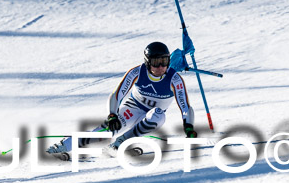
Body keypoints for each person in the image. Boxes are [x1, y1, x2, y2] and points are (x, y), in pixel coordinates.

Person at [47, 35, 197, 160]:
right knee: (106, 131)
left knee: (158, 115)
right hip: (133, 108)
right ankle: (62, 146)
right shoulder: (136, 72)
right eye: (156, 62)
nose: (160, 68)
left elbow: (185, 107)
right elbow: (117, 95)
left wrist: (189, 127)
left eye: (164, 62)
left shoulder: (174, 79)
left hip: (152, 115)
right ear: (147, 62)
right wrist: (112, 115)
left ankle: (119, 145)